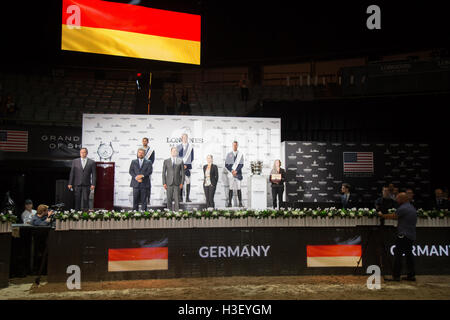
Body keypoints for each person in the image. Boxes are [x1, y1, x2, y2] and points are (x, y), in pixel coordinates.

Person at [379, 192, 417, 282]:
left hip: (403, 235)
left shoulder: (403, 208)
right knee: (409, 255)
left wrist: (382, 215)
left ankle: (396, 276)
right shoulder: (411, 207)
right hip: (411, 235)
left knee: (398, 255)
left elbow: (394, 216)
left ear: (403, 199)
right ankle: (411, 275)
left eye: (398, 198)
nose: (396, 200)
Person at [162, 147, 185, 211]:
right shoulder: (166, 161)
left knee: (177, 199)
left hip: (177, 183)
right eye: (173, 151)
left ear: (177, 153)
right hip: (168, 183)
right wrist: (164, 183)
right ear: (171, 152)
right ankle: (169, 213)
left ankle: (177, 213)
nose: (174, 152)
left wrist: (182, 183)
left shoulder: (180, 161)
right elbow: (163, 173)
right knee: (169, 199)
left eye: (175, 151)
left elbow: (183, 173)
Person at [225, 141, 244, 207]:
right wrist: (232, 170)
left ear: (237, 146)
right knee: (231, 188)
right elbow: (226, 165)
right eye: (233, 145)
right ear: (232, 146)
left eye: (236, 145)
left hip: (238, 174)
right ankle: (230, 203)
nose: (234, 146)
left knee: (239, 188)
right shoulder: (229, 154)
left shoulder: (240, 154)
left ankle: (240, 203)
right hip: (231, 174)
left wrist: (236, 170)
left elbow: (241, 164)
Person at [177, 133, 194, 202]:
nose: (185, 139)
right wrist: (181, 165)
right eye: (183, 137)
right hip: (180, 168)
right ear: (181, 138)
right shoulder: (178, 147)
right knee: (180, 182)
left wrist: (186, 165)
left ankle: (187, 197)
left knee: (188, 182)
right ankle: (180, 197)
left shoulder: (190, 147)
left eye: (186, 137)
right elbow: (176, 157)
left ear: (187, 138)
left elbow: (192, 157)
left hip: (187, 167)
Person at [141, 137, 155, 204]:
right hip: (141, 170)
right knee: (141, 184)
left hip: (148, 170)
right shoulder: (140, 150)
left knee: (148, 185)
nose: (144, 142)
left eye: (145, 141)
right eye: (143, 141)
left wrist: (147, 167)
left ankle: (148, 199)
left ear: (147, 142)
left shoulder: (151, 151)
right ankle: (141, 200)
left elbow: (152, 160)